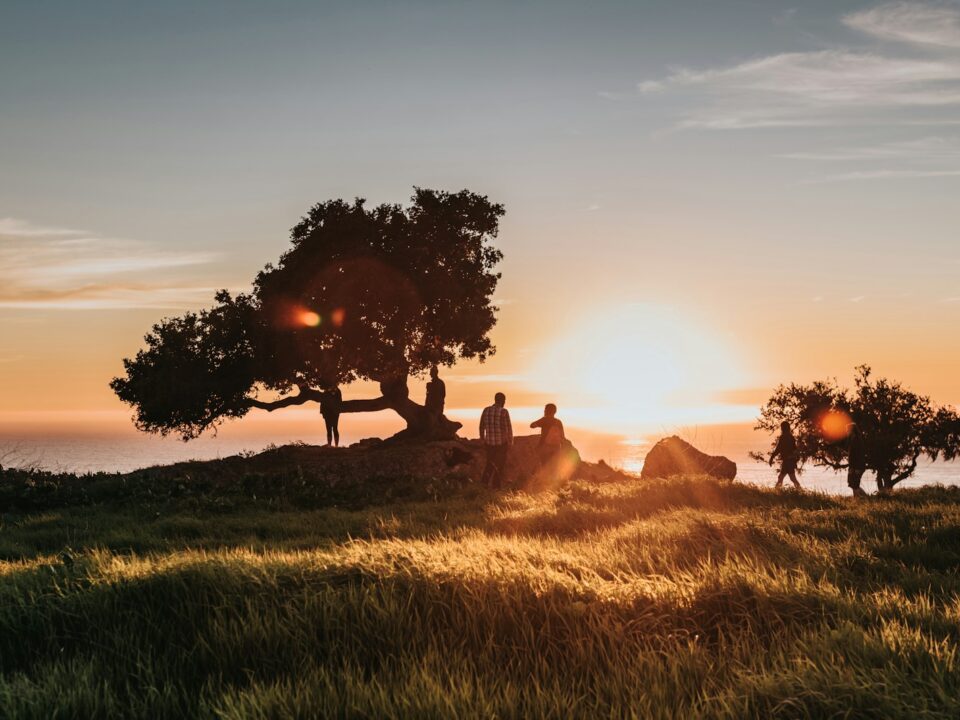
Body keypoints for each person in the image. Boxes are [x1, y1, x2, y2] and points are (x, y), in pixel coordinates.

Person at [479, 392, 512, 489]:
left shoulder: (486, 410)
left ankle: (483, 485)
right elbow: (508, 428)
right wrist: (510, 442)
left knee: (489, 464)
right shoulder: (504, 411)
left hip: (489, 443)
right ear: (502, 401)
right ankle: (496, 487)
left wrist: (482, 439)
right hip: (501, 443)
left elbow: (482, 426)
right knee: (499, 466)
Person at [769, 420, 801, 489]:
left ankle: (800, 490)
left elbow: (778, 449)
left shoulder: (783, 437)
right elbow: (795, 449)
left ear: (783, 428)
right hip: (789, 460)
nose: (781, 429)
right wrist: (795, 458)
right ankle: (777, 491)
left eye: (782, 427)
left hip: (788, 461)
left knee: (791, 478)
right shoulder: (791, 437)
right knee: (782, 477)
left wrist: (772, 457)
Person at [530, 403, 565, 467]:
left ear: (547, 411)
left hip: (545, 446)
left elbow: (532, 425)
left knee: (544, 465)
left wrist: (541, 420)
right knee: (554, 467)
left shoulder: (544, 420)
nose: (544, 411)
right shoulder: (558, 422)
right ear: (555, 412)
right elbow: (562, 435)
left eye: (545, 410)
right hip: (556, 447)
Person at [846, 422, 868, 497]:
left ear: (851, 430)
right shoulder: (852, 439)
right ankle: (861, 498)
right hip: (854, 466)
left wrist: (854, 468)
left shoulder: (857, 440)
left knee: (854, 484)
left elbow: (858, 455)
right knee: (852, 484)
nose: (846, 431)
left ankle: (864, 497)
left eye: (847, 430)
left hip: (858, 466)